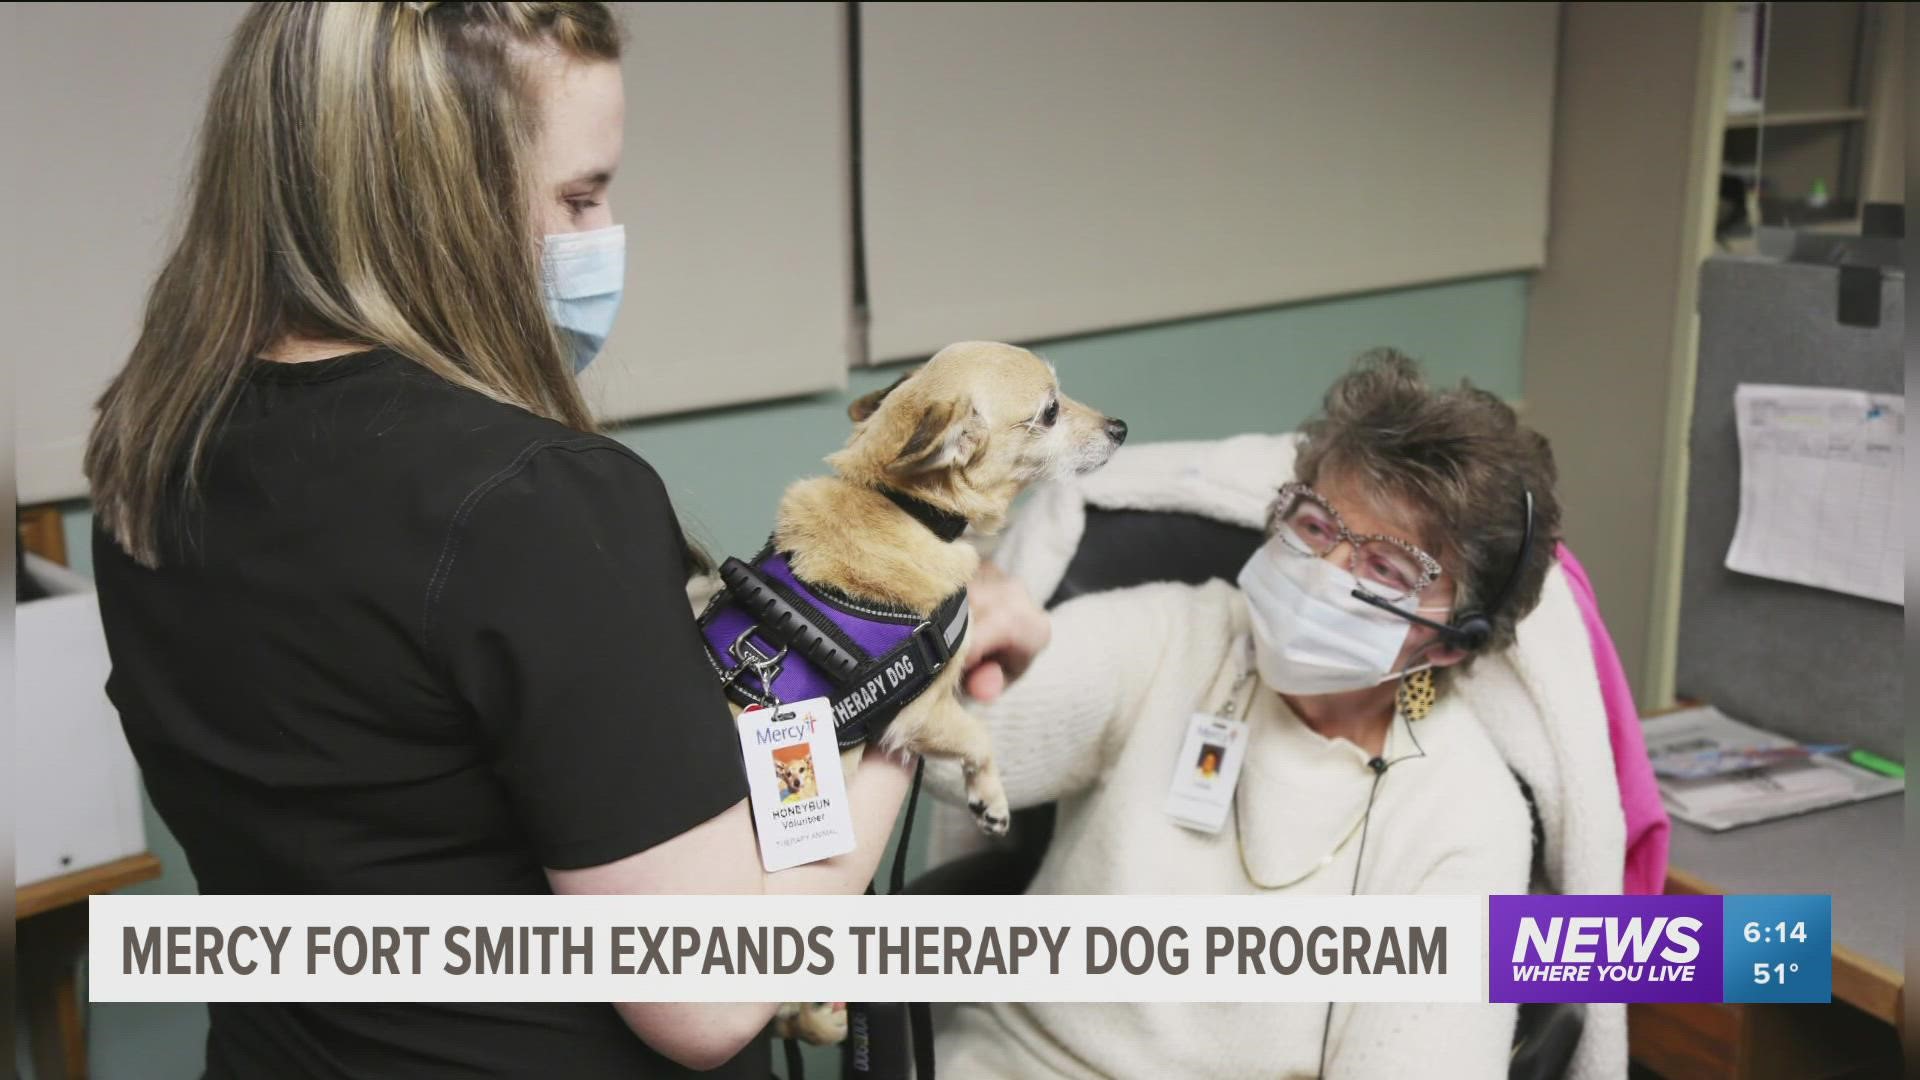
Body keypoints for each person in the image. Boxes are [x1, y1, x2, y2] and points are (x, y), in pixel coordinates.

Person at [82, 5, 1046, 1077]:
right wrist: (917, 678)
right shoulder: (532, 505)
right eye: (579, 195)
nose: (604, 233)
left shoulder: (156, 440)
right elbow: (712, 994)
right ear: (427, 204)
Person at [935, 351, 1562, 1079]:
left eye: (1388, 570)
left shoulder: (1460, 813)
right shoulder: (1179, 634)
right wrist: (954, 635)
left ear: (1455, 644)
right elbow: (960, 751)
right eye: (1318, 526)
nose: (1325, 572)